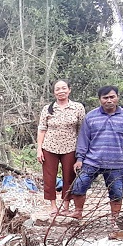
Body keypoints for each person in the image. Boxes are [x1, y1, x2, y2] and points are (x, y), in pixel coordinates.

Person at [69, 85, 123, 226]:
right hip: (92, 160)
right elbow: (83, 139)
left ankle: (114, 219)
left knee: (117, 192)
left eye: (112, 97)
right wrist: (79, 159)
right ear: (100, 99)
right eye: (105, 98)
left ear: (117, 98)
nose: (109, 100)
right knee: (79, 186)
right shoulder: (91, 117)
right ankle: (78, 212)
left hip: (117, 163)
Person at [36, 80, 85, 216]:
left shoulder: (78, 107)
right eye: (57, 89)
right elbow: (42, 129)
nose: (61, 91)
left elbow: (82, 130)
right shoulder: (48, 108)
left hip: (70, 147)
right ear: (54, 92)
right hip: (49, 147)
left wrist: (81, 151)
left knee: (69, 176)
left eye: (64, 88)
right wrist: (39, 149)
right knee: (49, 177)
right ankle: (53, 205)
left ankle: (66, 205)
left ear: (69, 90)